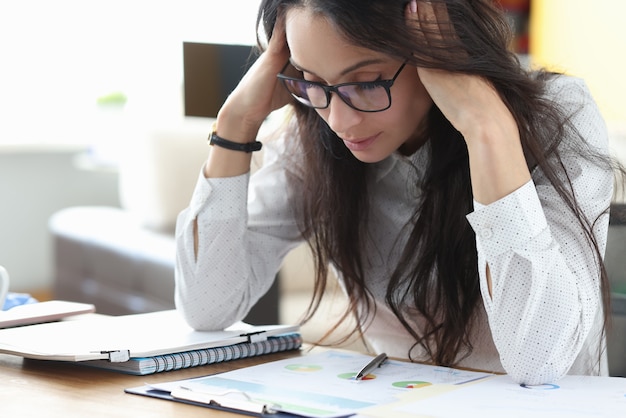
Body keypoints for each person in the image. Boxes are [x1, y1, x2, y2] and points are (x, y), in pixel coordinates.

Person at [174, 0, 620, 385]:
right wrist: (234, 127)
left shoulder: (558, 116)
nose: (340, 121)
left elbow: (538, 361)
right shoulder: (315, 136)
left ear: (437, 49)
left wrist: (486, 128)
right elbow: (207, 307)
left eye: (367, 82)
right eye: (311, 80)